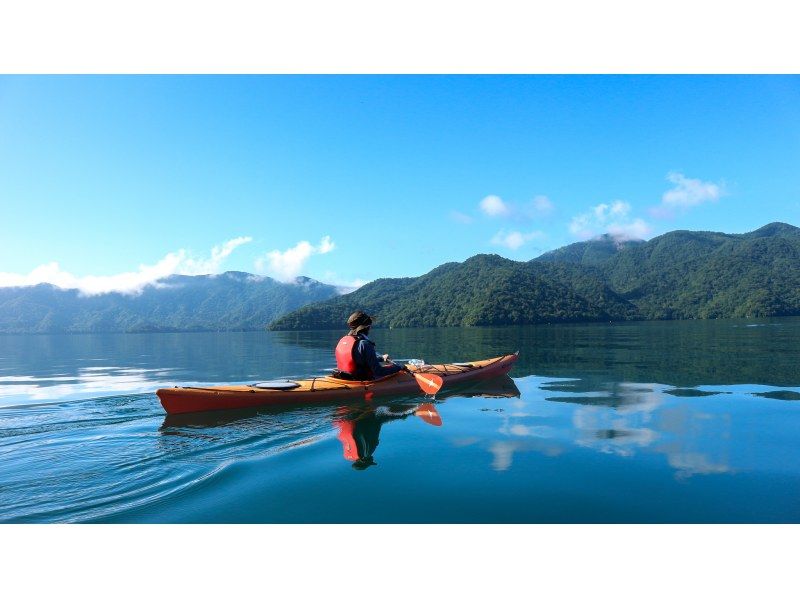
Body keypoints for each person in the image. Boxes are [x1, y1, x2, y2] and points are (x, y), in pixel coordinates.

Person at [334, 310, 404, 381]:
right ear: (367, 326)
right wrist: (399, 367)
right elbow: (379, 371)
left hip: (344, 378)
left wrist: (381, 358)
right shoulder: (365, 344)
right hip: (361, 381)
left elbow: (358, 361)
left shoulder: (343, 341)